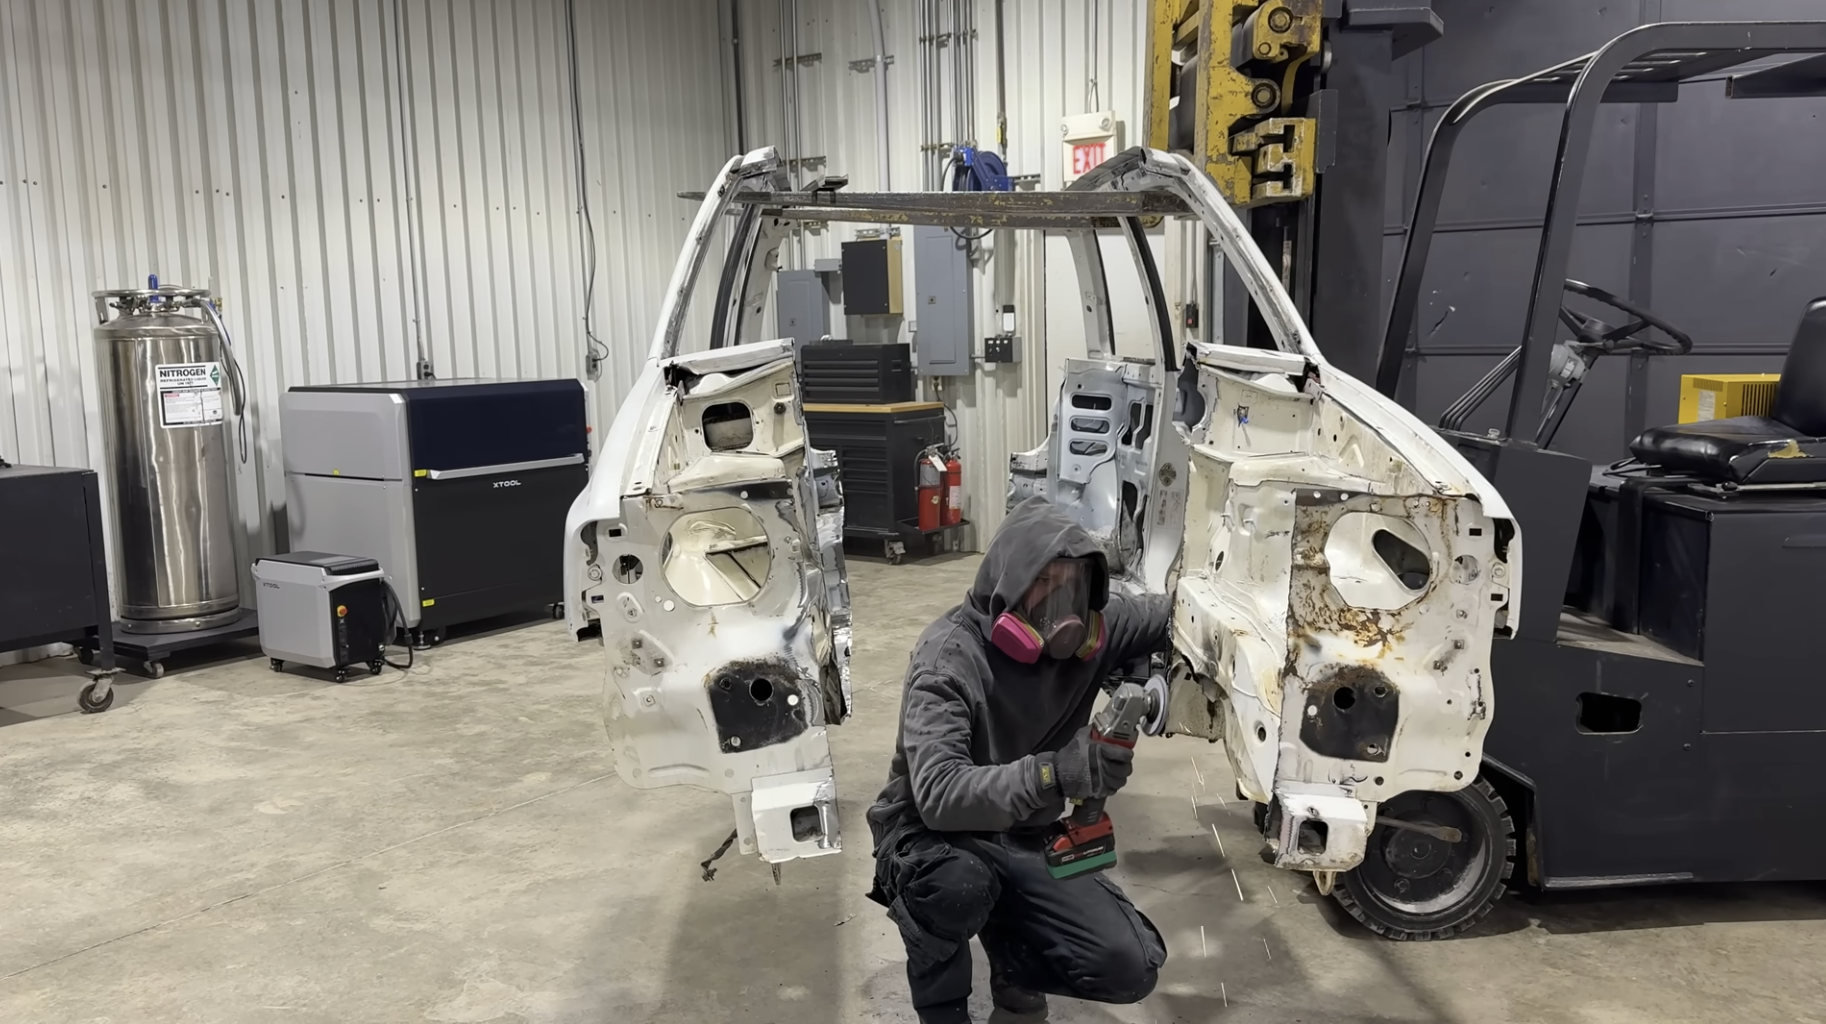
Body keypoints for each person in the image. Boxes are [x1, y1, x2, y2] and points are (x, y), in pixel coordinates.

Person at [866, 497, 1172, 1024]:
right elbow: (940, 796)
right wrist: (1057, 771)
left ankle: (1014, 969)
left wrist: (1157, 671)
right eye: (1046, 583)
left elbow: (1178, 614)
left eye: (1075, 584)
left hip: (1025, 831)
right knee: (957, 887)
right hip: (931, 835)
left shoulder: (1095, 636)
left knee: (1128, 965)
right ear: (1006, 585)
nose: (1065, 604)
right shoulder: (947, 660)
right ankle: (943, 1012)